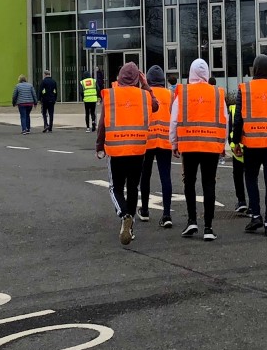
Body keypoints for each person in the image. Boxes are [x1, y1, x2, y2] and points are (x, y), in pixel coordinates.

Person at [95, 62, 157, 247]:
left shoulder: (111, 95)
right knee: (132, 187)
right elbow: (155, 105)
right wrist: (145, 84)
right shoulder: (144, 96)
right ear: (137, 78)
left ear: (120, 77)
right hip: (138, 149)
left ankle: (124, 215)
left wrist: (99, 145)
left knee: (115, 187)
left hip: (116, 149)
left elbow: (102, 123)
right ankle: (130, 228)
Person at [170, 59, 227, 241]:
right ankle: (208, 227)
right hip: (211, 145)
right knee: (209, 183)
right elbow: (225, 120)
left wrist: (174, 143)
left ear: (191, 73)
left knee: (189, 182)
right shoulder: (217, 93)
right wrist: (222, 144)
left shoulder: (183, 93)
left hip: (189, 145)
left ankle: (192, 221)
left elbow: (174, 120)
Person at [232, 54, 267, 237]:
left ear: (254, 70)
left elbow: (238, 118)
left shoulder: (245, 89)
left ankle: (256, 216)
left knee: (251, 179)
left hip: (252, 143)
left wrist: (236, 141)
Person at [140, 65, 173, 227]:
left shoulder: (145, 94)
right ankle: (166, 214)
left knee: (145, 176)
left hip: (147, 140)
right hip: (165, 139)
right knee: (165, 176)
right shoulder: (170, 94)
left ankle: (145, 210)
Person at [229, 102, 249, 215]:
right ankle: (252, 206)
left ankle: (241, 201)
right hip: (251, 146)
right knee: (251, 177)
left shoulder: (233, 109)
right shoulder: (253, 104)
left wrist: (233, 143)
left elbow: (230, 129)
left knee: (238, 175)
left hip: (238, 147)